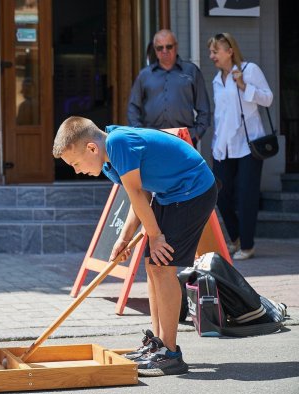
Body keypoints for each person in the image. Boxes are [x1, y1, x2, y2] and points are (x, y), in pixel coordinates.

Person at [53, 117, 217, 376]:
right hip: (169, 194)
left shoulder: (118, 143)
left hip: (192, 192)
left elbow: (140, 195)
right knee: (152, 266)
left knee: (163, 268)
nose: (75, 171)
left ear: (92, 149)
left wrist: (155, 235)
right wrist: (124, 238)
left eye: (75, 163)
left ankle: (171, 354)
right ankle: (159, 345)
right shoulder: (109, 161)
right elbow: (138, 196)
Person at [208, 32, 273, 261]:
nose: (211, 56)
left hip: (248, 145)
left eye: (215, 51)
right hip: (224, 146)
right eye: (211, 52)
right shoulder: (217, 79)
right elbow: (220, 116)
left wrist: (244, 86)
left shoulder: (250, 70)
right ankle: (235, 238)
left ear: (230, 52)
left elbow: (268, 99)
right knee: (219, 194)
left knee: (246, 195)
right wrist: (215, 145)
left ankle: (247, 245)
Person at [128, 29, 210, 147]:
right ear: (155, 50)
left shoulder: (191, 71)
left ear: (176, 47)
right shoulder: (145, 75)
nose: (164, 51)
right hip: (152, 137)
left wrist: (196, 134)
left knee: (182, 166)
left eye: (169, 46)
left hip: (183, 139)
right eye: (160, 48)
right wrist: (140, 134)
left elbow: (204, 108)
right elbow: (133, 107)